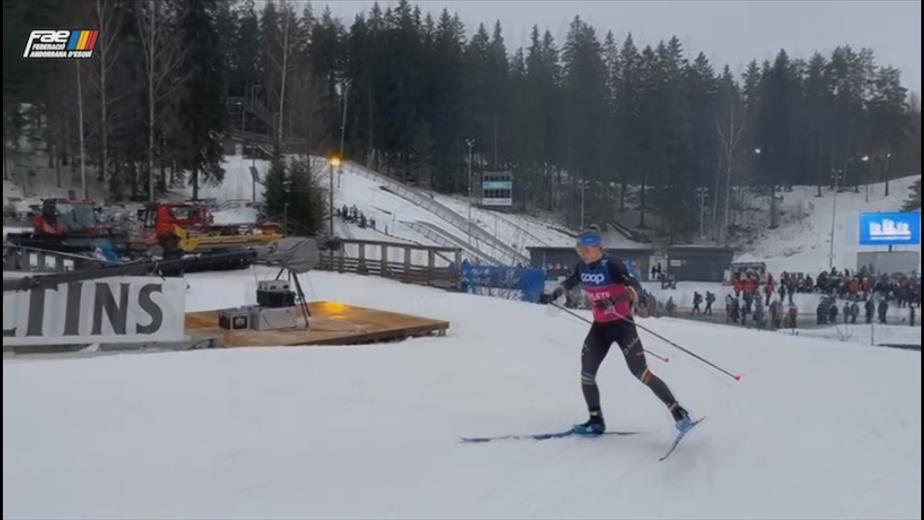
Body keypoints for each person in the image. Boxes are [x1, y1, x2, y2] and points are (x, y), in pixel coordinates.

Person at [538, 225, 692, 436]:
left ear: (596, 248)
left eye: (585, 250)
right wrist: (552, 296)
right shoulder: (582, 267)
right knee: (587, 374)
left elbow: (635, 287)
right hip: (600, 328)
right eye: (580, 251)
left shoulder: (612, 265)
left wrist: (621, 297)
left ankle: (679, 413)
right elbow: (570, 282)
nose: (582, 254)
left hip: (622, 326)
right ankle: (595, 421)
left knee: (641, 373)